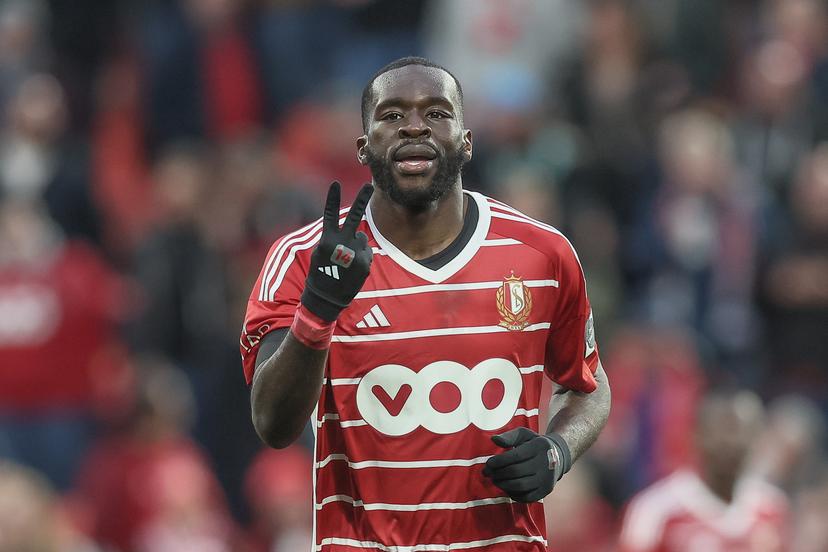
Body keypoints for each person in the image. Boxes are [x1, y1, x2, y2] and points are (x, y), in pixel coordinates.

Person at [240, 56, 611, 551]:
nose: (414, 126)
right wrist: (318, 310)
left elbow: (587, 384)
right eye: (392, 116)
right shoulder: (304, 259)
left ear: (466, 140)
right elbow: (273, 425)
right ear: (362, 147)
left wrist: (557, 453)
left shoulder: (541, 253)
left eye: (437, 113)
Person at [618, 389, 789, 552]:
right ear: (696, 435)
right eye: (722, 431)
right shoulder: (654, 510)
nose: (732, 442)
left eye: (742, 431)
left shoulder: (772, 510)